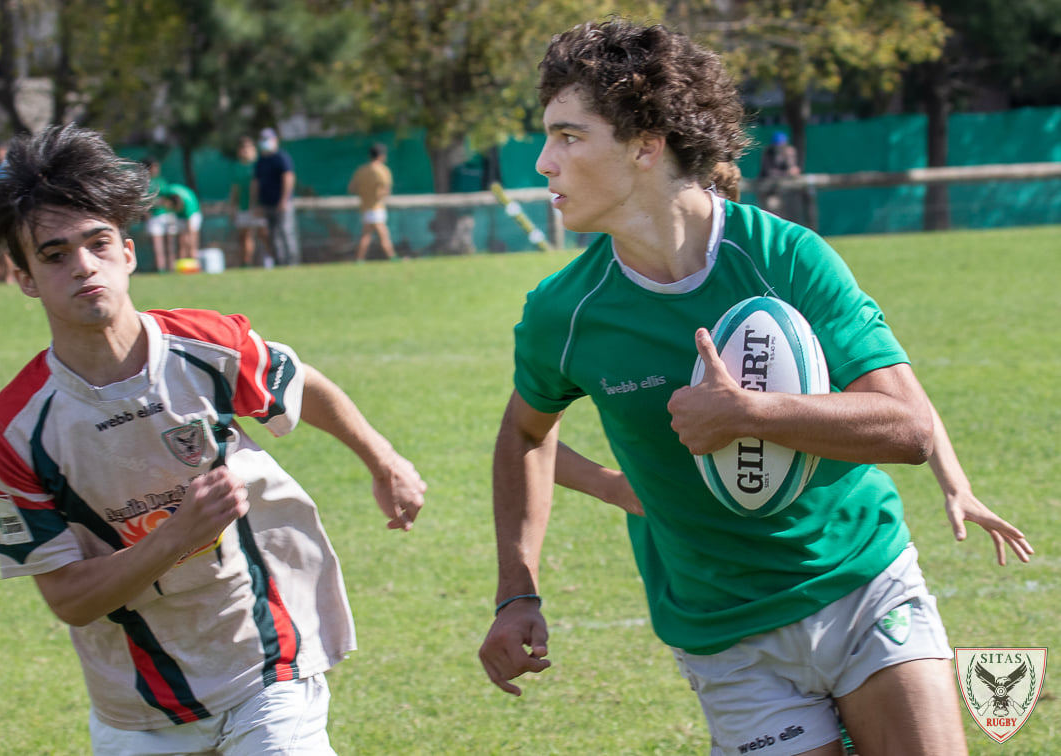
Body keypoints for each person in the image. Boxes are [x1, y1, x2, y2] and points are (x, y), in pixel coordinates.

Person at [478, 20, 1033, 756]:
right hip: (723, 633)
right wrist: (517, 591)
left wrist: (750, 415)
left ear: (646, 145)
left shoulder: (786, 258)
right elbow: (524, 432)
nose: (545, 162)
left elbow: (909, 428)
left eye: (569, 137)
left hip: (861, 586)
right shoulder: (565, 312)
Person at [0, 125, 426, 756]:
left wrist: (383, 459)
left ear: (128, 252)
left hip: (266, 661)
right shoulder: (13, 433)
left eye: (97, 243)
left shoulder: (206, 348)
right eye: (53, 255)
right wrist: (178, 536)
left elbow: (302, 384)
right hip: (136, 709)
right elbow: (71, 599)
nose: (83, 266)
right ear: (22, 278)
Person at [252, 127, 300, 266]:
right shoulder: (261, 160)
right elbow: (256, 183)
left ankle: (292, 263)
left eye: (267, 139)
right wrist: (256, 203)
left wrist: (284, 200)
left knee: (286, 233)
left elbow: (288, 177)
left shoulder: (281, 157)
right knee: (273, 236)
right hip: (267, 204)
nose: (264, 142)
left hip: (281, 203)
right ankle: (279, 263)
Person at [348, 143, 397, 262]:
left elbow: (352, 188)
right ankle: (393, 257)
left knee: (366, 235)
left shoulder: (361, 170)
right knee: (383, 235)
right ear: (381, 155)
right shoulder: (382, 171)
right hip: (377, 207)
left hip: (365, 207)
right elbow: (385, 190)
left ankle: (359, 259)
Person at [228, 135, 264, 267]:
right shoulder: (237, 167)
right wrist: (232, 206)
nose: (245, 150)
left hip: (259, 206)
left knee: (263, 234)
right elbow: (235, 188)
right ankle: (246, 263)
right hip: (243, 207)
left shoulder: (259, 164)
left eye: (248, 147)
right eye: (242, 148)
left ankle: (270, 260)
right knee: (244, 235)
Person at [142, 157, 179, 272]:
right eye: (154, 167)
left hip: (167, 215)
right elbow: (143, 201)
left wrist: (169, 203)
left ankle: (171, 268)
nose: (157, 169)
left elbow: (170, 196)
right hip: (154, 217)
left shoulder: (161, 181)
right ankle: (161, 269)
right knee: (158, 246)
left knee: (170, 244)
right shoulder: (145, 184)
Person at [757, 131, 801, 217]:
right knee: (773, 209)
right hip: (769, 189)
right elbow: (769, 172)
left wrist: (790, 162)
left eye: (782, 145)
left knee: (791, 211)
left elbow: (793, 170)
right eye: (777, 145)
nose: (779, 148)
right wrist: (787, 173)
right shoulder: (768, 153)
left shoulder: (789, 152)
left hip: (786, 190)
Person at [161, 182, 203, 262]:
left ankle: (194, 258)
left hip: (193, 213)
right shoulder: (167, 191)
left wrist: (191, 241)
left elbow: (191, 229)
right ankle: (182, 261)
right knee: (182, 241)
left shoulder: (189, 205)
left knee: (191, 240)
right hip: (181, 215)